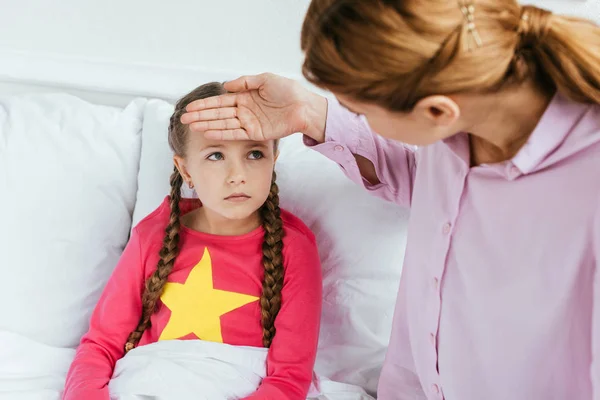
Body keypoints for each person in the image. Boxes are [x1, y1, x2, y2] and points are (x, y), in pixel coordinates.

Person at [180, 1, 600, 399]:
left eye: (360, 111)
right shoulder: (461, 113)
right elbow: (437, 190)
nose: (357, 117)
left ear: (437, 112)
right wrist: (311, 112)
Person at [62, 82, 323, 400]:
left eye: (255, 153)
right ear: (185, 169)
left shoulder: (293, 249)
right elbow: (101, 345)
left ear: (274, 159)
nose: (237, 174)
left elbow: (289, 378)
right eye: (215, 155)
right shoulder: (153, 236)